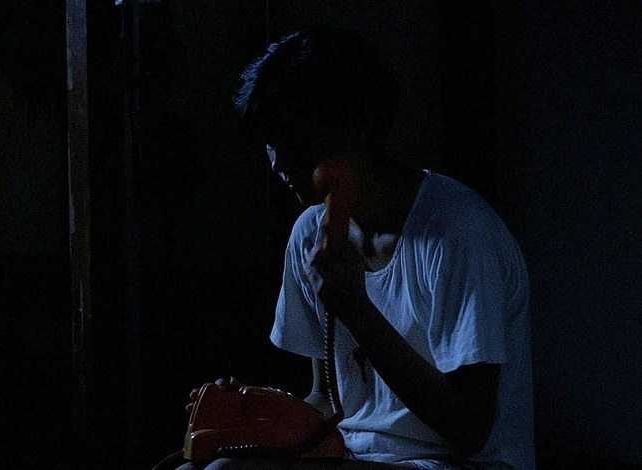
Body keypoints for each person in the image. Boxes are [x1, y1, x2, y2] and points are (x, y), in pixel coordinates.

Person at [180, 25, 534, 470]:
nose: (279, 164)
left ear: (355, 129)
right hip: (353, 453)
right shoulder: (311, 235)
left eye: (296, 142)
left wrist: (356, 308)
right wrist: (254, 414)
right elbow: (327, 399)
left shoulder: (459, 233)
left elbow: (470, 430)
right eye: (271, 144)